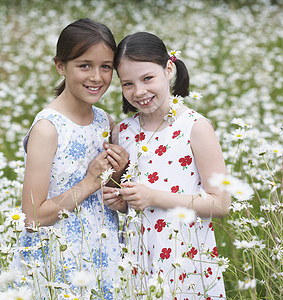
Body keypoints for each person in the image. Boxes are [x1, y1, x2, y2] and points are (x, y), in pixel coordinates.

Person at [103, 32, 231, 299]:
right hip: (138, 255)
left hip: (186, 256)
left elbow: (220, 203)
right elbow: (133, 198)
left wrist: (152, 196)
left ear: (169, 69)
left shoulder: (195, 127)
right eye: (128, 84)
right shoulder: (122, 132)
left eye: (148, 78)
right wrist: (121, 201)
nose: (139, 92)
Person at [10, 18, 128, 299]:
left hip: (102, 253)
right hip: (57, 260)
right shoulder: (47, 128)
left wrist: (118, 175)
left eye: (106, 67)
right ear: (60, 66)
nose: (97, 77)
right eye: (84, 65)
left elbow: (110, 195)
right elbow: (31, 217)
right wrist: (90, 181)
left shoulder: (105, 121)